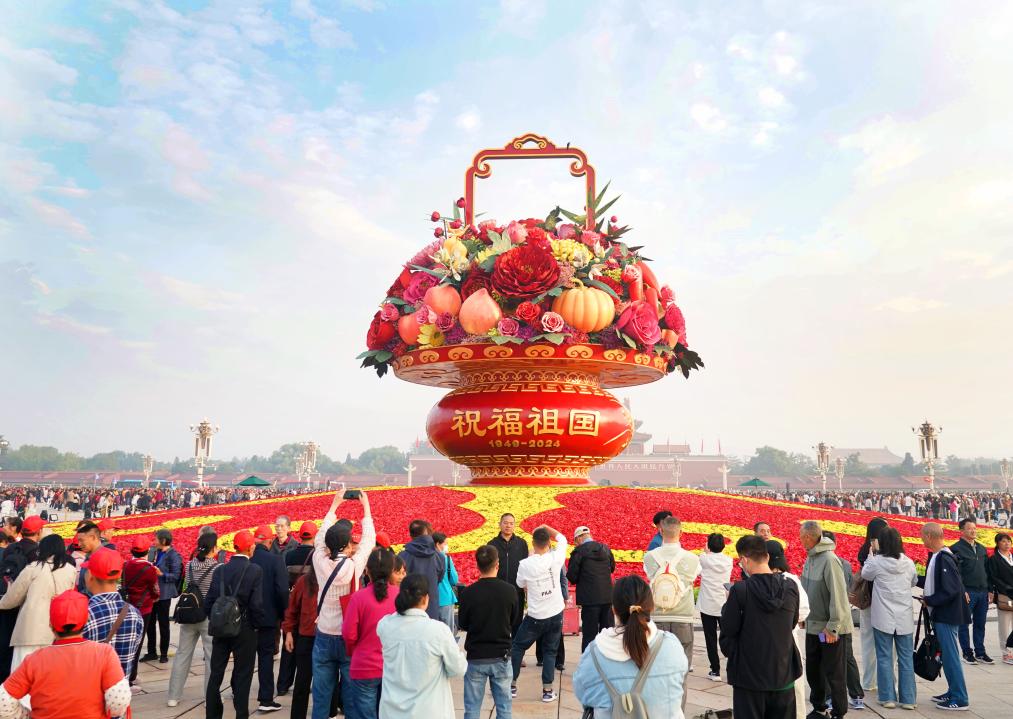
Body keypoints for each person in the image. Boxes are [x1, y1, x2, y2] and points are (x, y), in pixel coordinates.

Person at [0, 589, 132, 719]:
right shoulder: (104, 653)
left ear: (51, 624)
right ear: (86, 620)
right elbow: (119, 699)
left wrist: (26, 715)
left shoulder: (34, 660)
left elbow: (3, 701)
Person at [574, 575, 688, 718]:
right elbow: (681, 689)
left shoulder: (594, 654)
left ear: (614, 609)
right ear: (651, 608)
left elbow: (583, 695)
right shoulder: (672, 646)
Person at [719, 536, 802, 719]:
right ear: (766, 556)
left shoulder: (740, 590)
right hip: (783, 674)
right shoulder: (790, 587)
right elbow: (792, 623)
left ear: (745, 560)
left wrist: (727, 606)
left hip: (749, 679)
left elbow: (728, 631)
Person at [312, 488, 376, 719]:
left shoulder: (319, 559)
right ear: (348, 545)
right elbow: (369, 541)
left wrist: (334, 505)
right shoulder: (352, 566)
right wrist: (366, 507)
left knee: (320, 696)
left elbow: (320, 537)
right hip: (347, 637)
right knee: (351, 698)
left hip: (323, 634)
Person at [376, 574, 466, 718]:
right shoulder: (438, 630)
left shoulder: (385, 625)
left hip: (392, 711)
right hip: (429, 711)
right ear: (426, 598)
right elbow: (458, 669)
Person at [205, 529, 265, 719]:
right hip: (245, 628)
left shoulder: (221, 569)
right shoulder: (254, 570)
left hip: (221, 627)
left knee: (216, 674)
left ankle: (213, 714)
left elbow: (209, 601)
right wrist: (256, 626)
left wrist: (218, 619)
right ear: (251, 548)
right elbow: (256, 604)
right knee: (243, 674)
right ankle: (241, 714)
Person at [643, 513, 700, 709]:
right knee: (681, 672)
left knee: (655, 670)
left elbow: (649, 578)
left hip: (657, 619)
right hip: (683, 619)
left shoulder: (650, 557)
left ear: (660, 530)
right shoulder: (692, 558)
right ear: (681, 532)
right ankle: (677, 712)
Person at [459, 544, 520, 719]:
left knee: (472, 708)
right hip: (501, 655)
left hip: (476, 656)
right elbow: (514, 621)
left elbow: (463, 623)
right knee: (504, 707)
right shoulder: (509, 591)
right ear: (497, 564)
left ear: (477, 565)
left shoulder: (468, 593)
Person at [0, 534, 76, 671]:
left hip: (30, 631)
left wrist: (2, 603)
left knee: (22, 676)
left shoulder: (34, 568)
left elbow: (12, 598)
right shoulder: (70, 570)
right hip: (58, 632)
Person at [800, 520, 852, 719]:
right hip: (813, 627)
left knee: (834, 672)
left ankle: (839, 711)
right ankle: (819, 708)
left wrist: (832, 627)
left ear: (809, 537)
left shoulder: (829, 560)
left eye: (801, 536)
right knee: (814, 670)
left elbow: (838, 596)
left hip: (828, 630)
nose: (800, 539)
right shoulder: (810, 558)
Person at [860, 526, 917, 709]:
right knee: (906, 658)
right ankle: (908, 699)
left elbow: (865, 574)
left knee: (884, 657)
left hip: (883, 616)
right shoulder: (908, 562)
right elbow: (914, 581)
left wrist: (871, 554)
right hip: (904, 617)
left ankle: (887, 697)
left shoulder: (877, 562)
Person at [510, 524, 567, 702]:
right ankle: (547, 691)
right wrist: (547, 527)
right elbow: (563, 539)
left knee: (518, 647)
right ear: (548, 543)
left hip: (535, 616)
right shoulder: (555, 558)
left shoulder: (525, 564)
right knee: (550, 651)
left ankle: (511, 686)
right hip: (555, 612)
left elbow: (519, 584)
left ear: (533, 544)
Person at [920, 522, 971, 711]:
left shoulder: (943, 557)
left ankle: (960, 697)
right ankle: (953, 690)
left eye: (922, 536)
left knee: (950, 657)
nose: (921, 539)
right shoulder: (938, 556)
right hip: (945, 614)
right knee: (949, 656)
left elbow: (950, 589)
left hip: (947, 615)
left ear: (929, 536)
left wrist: (929, 600)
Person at [343, 546, 398, 719]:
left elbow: (348, 634)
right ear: (392, 571)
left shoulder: (358, 598)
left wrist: (355, 651)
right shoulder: (400, 595)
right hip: (393, 667)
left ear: (367, 571)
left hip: (364, 666)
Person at [167, 531, 220, 708]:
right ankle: (209, 697)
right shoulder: (217, 567)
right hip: (207, 616)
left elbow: (187, 585)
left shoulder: (190, 564)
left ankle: (173, 696)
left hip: (189, 614)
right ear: (214, 548)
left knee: (182, 654)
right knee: (211, 657)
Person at [82, 548, 145, 682]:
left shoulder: (85, 614)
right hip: (120, 696)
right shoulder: (135, 614)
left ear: (90, 576)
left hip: (90, 695)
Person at [765, 540, 809, 719]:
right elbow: (805, 610)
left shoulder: (789, 580)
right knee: (792, 683)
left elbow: (804, 610)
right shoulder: (791, 580)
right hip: (787, 638)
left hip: (777, 640)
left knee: (791, 685)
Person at [250, 524, 289, 713]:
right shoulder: (276, 560)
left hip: (246, 619)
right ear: (269, 540)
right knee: (265, 657)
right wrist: (283, 613)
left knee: (245, 657)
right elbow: (282, 590)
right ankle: (265, 699)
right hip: (268, 617)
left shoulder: (247, 559)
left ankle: (236, 689)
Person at [278, 520, 318, 697]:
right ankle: (307, 681)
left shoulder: (290, 556)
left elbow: (286, 581)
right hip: (310, 607)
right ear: (314, 536)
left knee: (289, 646)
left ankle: (283, 684)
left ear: (299, 536)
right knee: (309, 649)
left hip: (292, 604)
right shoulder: (318, 556)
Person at [0, 516, 43, 680]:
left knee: (5, 640)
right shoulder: (37, 552)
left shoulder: (11, 548)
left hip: (8, 599)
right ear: (38, 532)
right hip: (26, 605)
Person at [566, 525, 616, 653]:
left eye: (575, 541)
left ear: (579, 538)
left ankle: (588, 665)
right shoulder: (605, 549)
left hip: (589, 600)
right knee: (608, 634)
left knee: (589, 635)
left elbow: (572, 576)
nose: (575, 544)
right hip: (607, 598)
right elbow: (612, 568)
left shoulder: (579, 552)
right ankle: (608, 661)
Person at [951, 518, 993, 664]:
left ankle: (980, 652)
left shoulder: (981, 548)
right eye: (970, 528)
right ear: (961, 531)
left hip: (982, 591)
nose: (973, 531)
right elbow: (956, 573)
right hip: (968, 591)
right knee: (964, 624)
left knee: (980, 623)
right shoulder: (956, 548)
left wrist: (990, 589)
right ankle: (967, 653)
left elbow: (987, 570)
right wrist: (962, 591)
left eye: (975, 528)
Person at [283, 559, 321, 719]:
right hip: (306, 637)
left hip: (328, 638)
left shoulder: (339, 579)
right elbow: (292, 609)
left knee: (326, 684)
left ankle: (330, 713)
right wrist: (289, 632)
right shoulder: (304, 581)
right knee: (302, 682)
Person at [856, 517, 889, 693]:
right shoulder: (873, 551)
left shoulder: (865, 550)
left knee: (869, 641)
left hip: (870, 602)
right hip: (877, 601)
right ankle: (873, 680)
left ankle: (870, 681)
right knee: (882, 643)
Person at [124, 534, 160, 687]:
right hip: (144, 608)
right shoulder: (149, 568)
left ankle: (128, 674)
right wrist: (156, 596)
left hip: (128, 606)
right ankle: (132, 677)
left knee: (128, 640)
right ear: (147, 551)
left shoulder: (126, 565)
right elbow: (154, 589)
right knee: (138, 642)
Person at [697, 532, 732, 681]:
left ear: (709, 545)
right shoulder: (728, 560)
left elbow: (702, 559)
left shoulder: (703, 558)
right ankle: (731, 669)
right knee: (729, 637)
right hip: (723, 603)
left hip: (707, 604)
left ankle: (715, 670)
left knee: (710, 638)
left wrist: (706, 551)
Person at [146, 529, 182, 664]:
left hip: (164, 594)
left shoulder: (173, 555)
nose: (153, 542)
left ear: (163, 541)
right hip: (153, 592)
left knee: (163, 624)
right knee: (150, 623)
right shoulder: (155, 552)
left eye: (156, 539)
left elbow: (176, 575)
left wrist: (162, 574)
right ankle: (151, 652)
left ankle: (164, 653)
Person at [397, 519, 445, 621]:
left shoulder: (402, 556)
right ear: (428, 533)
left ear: (411, 535)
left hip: (408, 610)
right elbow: (439, 579)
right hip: (431, 607)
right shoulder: (439, 556)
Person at [489, 513, 528, 635]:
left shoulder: (521, 543)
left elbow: (526, 566)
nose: (508, 526)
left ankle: (514, 651)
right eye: (505, 523)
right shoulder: (492, 544)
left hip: (517, 590)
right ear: (500, 524)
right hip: (497, 591)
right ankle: (500, 649)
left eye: (511, 523)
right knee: (499, 622)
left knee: (516, 623)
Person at [987, 532, 1013, 664]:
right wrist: (1008, 589)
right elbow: (994, 578)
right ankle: (1006, 653)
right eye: (1003, 541)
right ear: (997, 544)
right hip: (1005, 596)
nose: (1007, 543)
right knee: (1004, 626)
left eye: (1008, 541)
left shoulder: (1012, 556)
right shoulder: (994, 559)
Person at [433, 532, 459, 635]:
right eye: (445, 543)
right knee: (448, 632)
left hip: (429, 600)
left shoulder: (426, 558)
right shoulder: (445, 558)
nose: (446, 546)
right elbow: (454, 579)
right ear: (438, 544)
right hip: (445, 598)